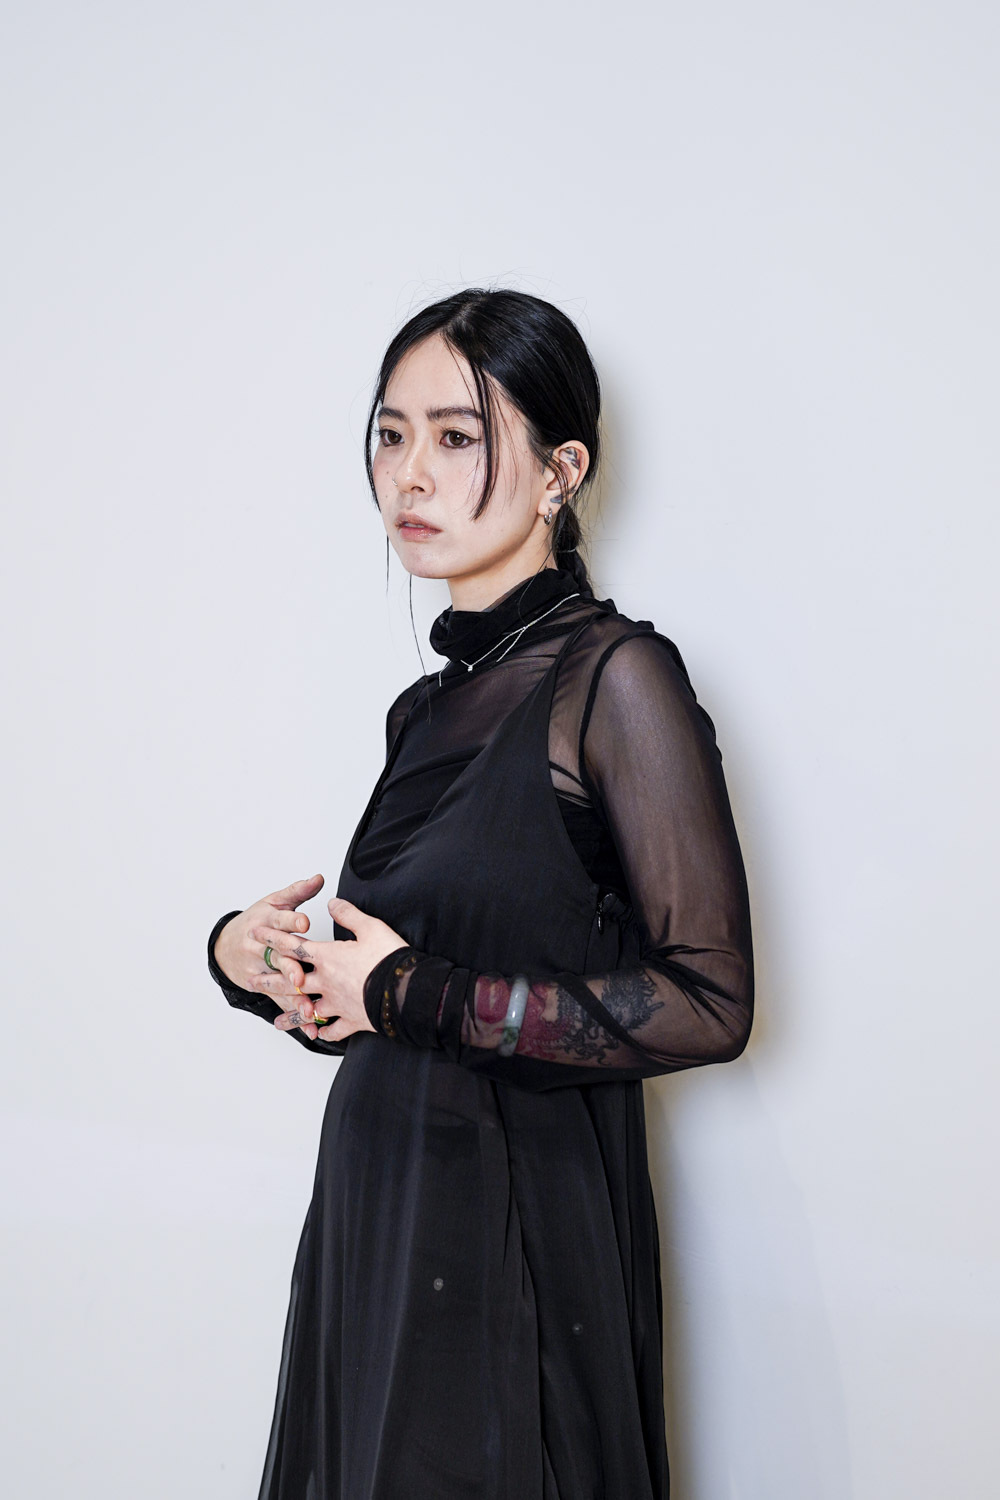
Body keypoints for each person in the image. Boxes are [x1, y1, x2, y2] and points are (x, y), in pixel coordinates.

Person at [207, 287, 754, 1500]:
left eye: (457, 438)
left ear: (561, 471)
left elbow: (709, 1002)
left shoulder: (617, 679)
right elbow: (394, 996)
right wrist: (263, 963)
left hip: (517, 1229)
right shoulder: (424, 708)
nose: (409, 474)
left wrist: (407, 989)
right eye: (390, 434)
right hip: (382, 1210)